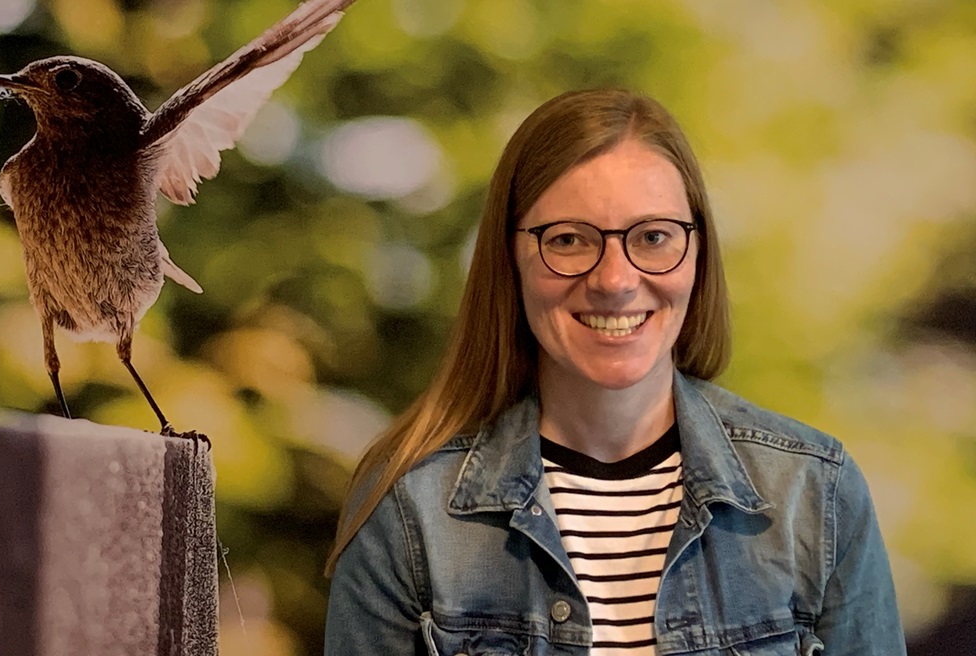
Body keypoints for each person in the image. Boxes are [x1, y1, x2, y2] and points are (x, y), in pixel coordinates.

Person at [324, 89, 906, 655]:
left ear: (698, 253)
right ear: (510, 258)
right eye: (570, 239)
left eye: (653, 237)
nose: (615, 280)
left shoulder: (814, 494)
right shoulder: (407, 505)